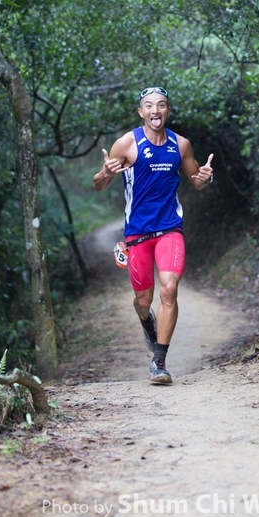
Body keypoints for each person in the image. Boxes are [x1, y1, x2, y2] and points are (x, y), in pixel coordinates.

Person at [93, 86, 214, 384]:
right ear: (141, 112)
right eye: (149, 105)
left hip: (170, 229)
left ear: (168, 110)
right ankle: (146, 321)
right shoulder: (126, 143)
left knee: (169, 289)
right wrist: (106, 173)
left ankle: (159, 361)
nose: (155, 110)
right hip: (137, 234)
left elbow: (196, 181)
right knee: (143, 300)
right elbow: (99, 185)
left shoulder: (181, 145)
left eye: (161, 105)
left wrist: (205, 178)